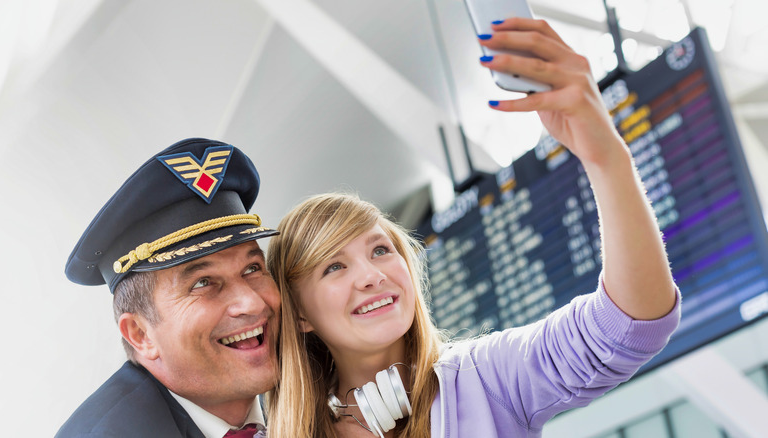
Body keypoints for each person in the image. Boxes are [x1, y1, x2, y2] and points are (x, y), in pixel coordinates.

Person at [264, 18, 681, 438]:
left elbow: (630, 325)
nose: (372, 275)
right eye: (334, 267)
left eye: (380, 250)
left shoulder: (485, 379)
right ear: (298, 314)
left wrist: (606, 158)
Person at [57, 138, 280, 438]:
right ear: (141, 334)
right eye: (203, 283)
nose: (251, 303)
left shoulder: (309, 388)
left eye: (252, 269)